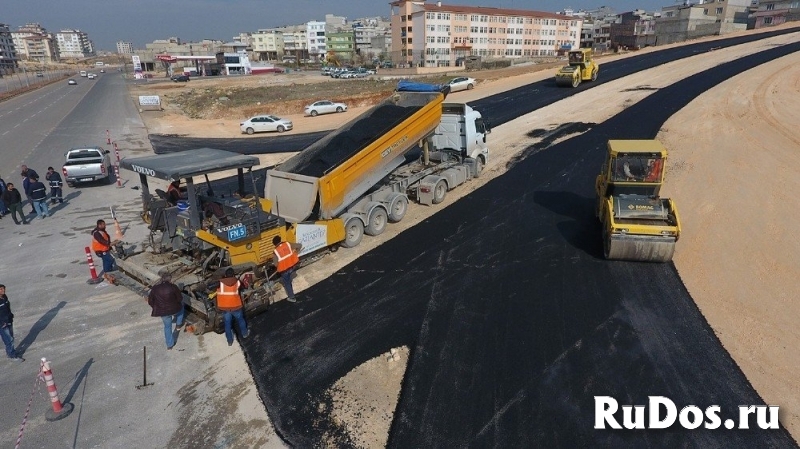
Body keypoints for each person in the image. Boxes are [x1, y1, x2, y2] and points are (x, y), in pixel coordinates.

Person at [147, 273, 185, 350]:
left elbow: (150, 301)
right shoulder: (173, 287)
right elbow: (180, 299)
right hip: (174, 309)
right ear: (170, 279)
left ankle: (169, 345)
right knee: (182, 308)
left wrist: (156, 307)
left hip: (162, 312)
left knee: (167, 327)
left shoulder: (155, 288)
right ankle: (178, 324)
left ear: (162, 279)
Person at [216, 268, 249, 346]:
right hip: (236, 306)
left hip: (225, 308)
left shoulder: (220, 283)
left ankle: (230, 341)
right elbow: (242, 287)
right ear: (233, 274)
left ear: (225, 275)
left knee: (227, 324)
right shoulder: (237, 282)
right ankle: (245, 334)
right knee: (241, 320)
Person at [272, 236, 303, 303]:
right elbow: (299, 245)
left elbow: (276, 264)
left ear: (274, 244)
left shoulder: (275, 252)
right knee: (289, 279)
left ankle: (292, 297)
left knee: (287, 283)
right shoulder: (287, 244)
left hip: (284, 270)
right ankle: (290, 287)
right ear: (280, 240)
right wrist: (295, 254)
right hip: (292, 267)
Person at [0, 284, 24, 362]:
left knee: (11, 337)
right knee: (9, 339)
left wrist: (10, 315)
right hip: (2, 324)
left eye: (3, 289)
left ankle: (10, 351)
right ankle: (12, 355)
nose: (3, 290)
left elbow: (7, 307)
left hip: (9, 320)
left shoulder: (4, 297)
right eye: (1, 289)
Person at [92, 219, 120, 285]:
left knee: (106, 261)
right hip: (100, 250)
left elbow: (106, 239)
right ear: (99, 225)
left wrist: (110, 246)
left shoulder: (102, 231)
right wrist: (110, 244)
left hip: (105, 249)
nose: (105, 225)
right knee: (109, 260)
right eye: (103, 224)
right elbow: (102, 241)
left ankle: (107, 273)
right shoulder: (97, 233)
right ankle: (108, 274)